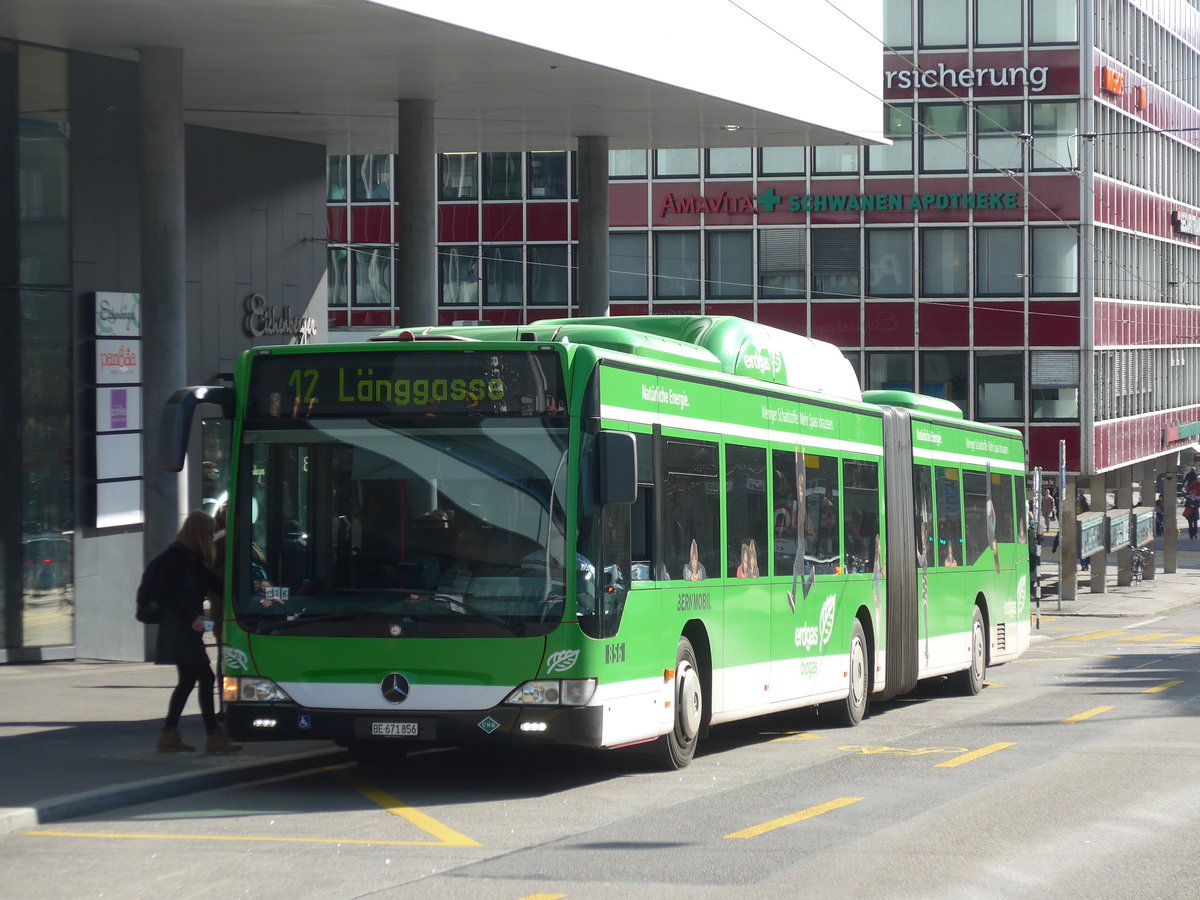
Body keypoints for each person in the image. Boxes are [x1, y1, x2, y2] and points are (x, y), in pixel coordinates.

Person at [150, 510, 243, 754]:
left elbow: (216, 584)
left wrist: (248, 595)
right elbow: (167, 593)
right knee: (205, 678)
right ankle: (213, 737)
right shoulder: (177, 556)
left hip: (186, 627)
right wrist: (192, 617)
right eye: (209, 532)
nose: (212, 537)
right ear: (199, 532)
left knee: (189, 680)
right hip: (180, 627)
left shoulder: (191, 557)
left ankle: (169, 734)